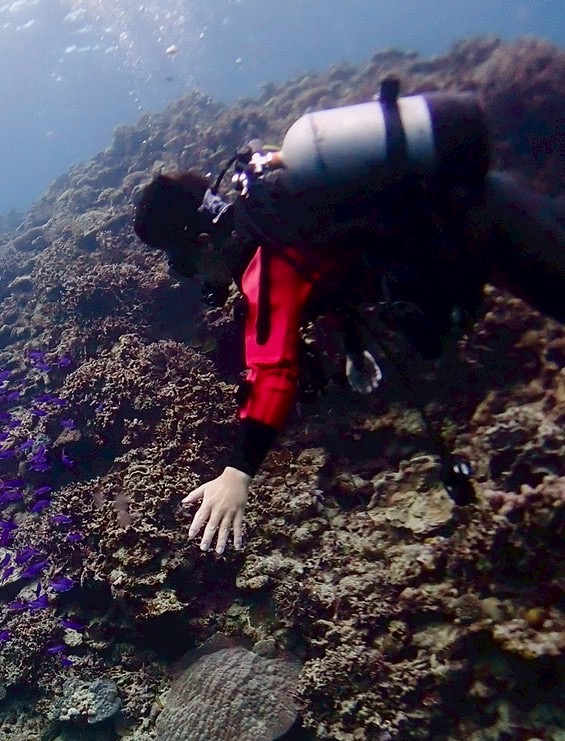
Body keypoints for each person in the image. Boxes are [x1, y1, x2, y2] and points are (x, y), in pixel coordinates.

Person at [132, 80, 565, 554]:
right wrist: (355, 347)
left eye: (182, 266)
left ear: (201, 243)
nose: (192, 278)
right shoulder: (275, 208)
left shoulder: (265, 258)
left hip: (486, 229)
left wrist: (238, 472)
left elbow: (272, 371)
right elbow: (334, 265)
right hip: (482, 210)